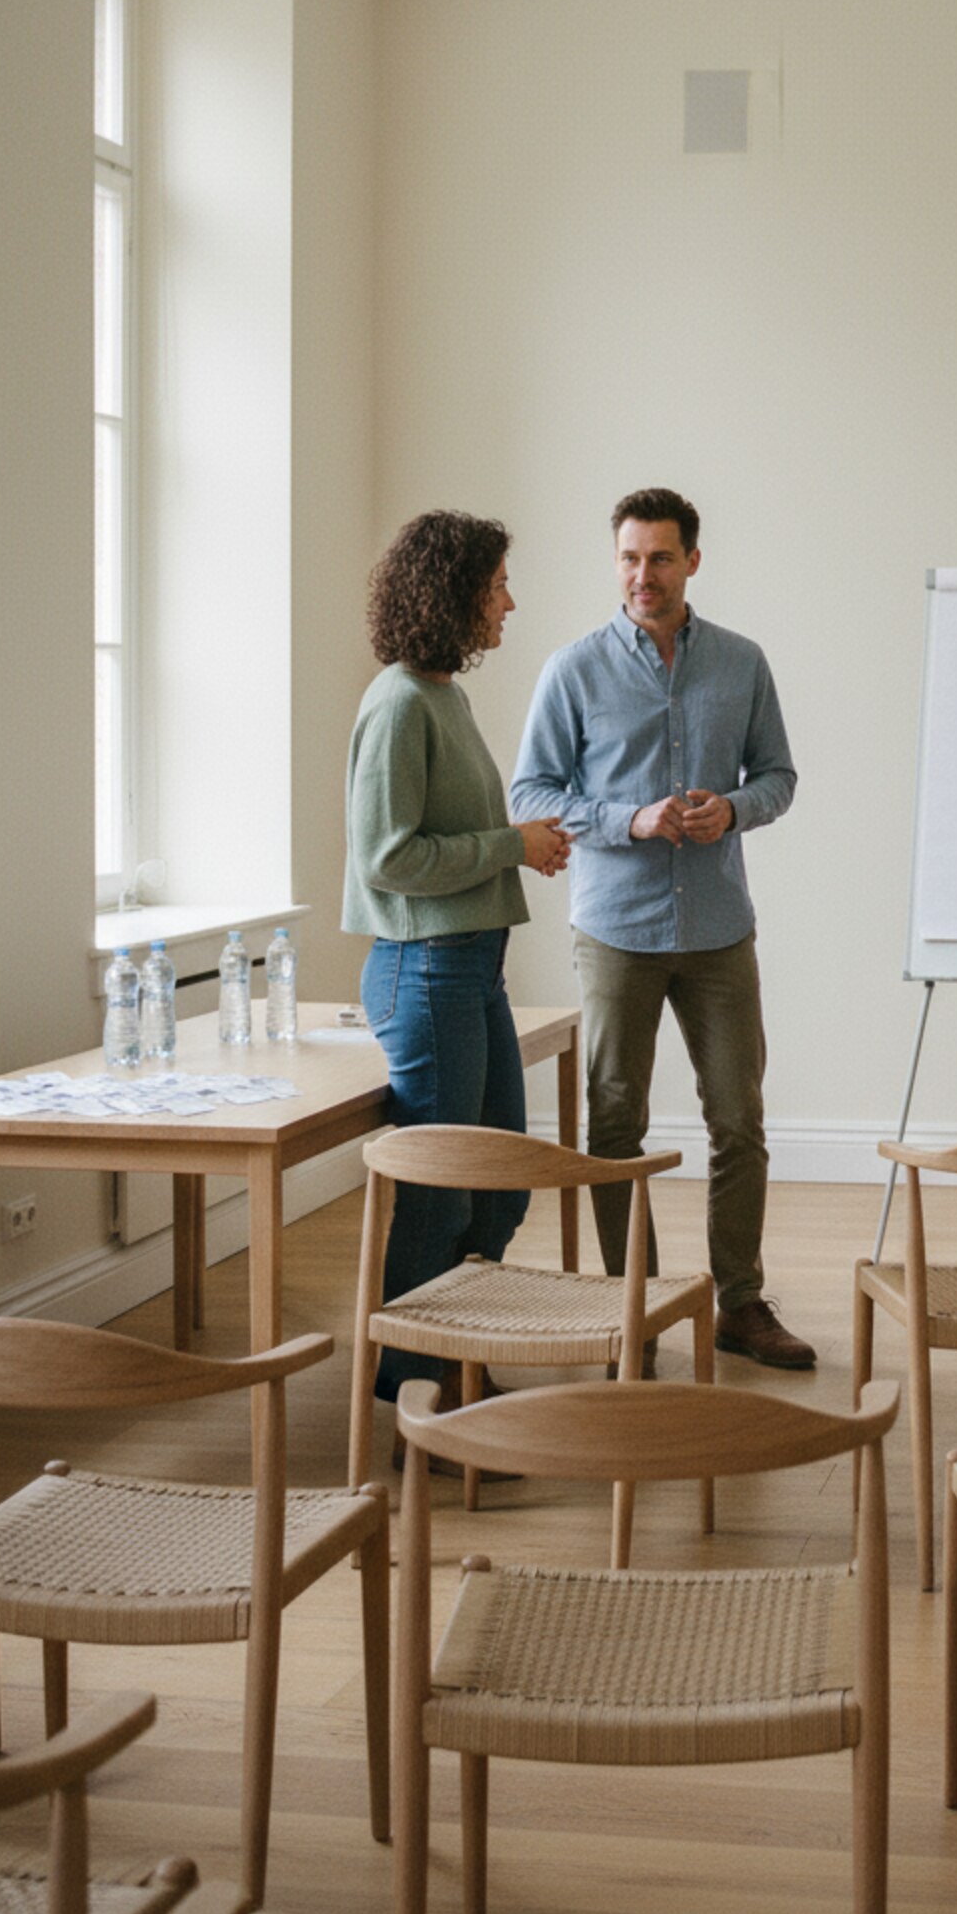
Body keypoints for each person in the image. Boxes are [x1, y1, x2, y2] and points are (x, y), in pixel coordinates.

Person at [510, 487, 813, 1370]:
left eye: (661, 558)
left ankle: (742, 1303)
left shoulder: (742, 662)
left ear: (693, 561)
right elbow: (531, 794)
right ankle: (628, 1307)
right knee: (613, 1123)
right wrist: (628, 822)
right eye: (630, 559)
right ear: (617, 562)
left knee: (740, 1119)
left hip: (720, 926)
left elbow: (781, 775)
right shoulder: (572, 670)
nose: (644, 575)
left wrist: (737, 808)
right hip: (615, 929)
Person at [344, 510, 571, 1411]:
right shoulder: (399, 703)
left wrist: (514, 843)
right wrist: (511, 845)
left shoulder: (441, 694)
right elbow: (387, 858)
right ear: (456, 591)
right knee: (439, 1199)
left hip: (472, 968)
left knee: (499, 1187)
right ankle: (410, 1391)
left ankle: (452, 1356)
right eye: (497, 584)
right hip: (426, 970)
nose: (509, 602)